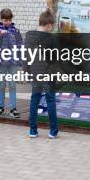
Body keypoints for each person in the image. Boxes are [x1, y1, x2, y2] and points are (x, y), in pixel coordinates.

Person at [25, 9, 59, 139]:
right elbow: (54, 59)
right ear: (49, 25)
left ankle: (33, 131)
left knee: (34, 100)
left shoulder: (29, 37)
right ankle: (53, 131)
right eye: (52, 26)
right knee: (50, 100)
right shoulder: (51, 39)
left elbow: (25, 57)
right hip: (48, 73)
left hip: (34, 73)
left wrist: (27, 72)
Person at [0, 8, 23, 118]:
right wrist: (0, 35)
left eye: (9, 20)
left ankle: (13, 108)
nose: (8, 22)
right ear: (1, 20)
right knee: (1, 85)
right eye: (5, 20)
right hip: (2, 63)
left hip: (13, 62)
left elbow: (20, 45)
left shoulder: (16, 31)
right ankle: (0, 107)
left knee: (12, 85)